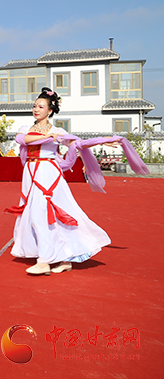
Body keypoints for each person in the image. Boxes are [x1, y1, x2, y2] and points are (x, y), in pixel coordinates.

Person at [8, 87, 120, 275]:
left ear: (50, 110)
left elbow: (77, 143)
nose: (36, 109)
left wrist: (100, 140)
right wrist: (48, 137)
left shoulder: (58, 131)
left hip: (48, 173)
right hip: (30, 173)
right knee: (34, 213)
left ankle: (44, 260)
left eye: (41, 106)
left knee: (43, 213)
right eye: (35, 105)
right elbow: (23, 140)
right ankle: (65, 258)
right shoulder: (26, 129)